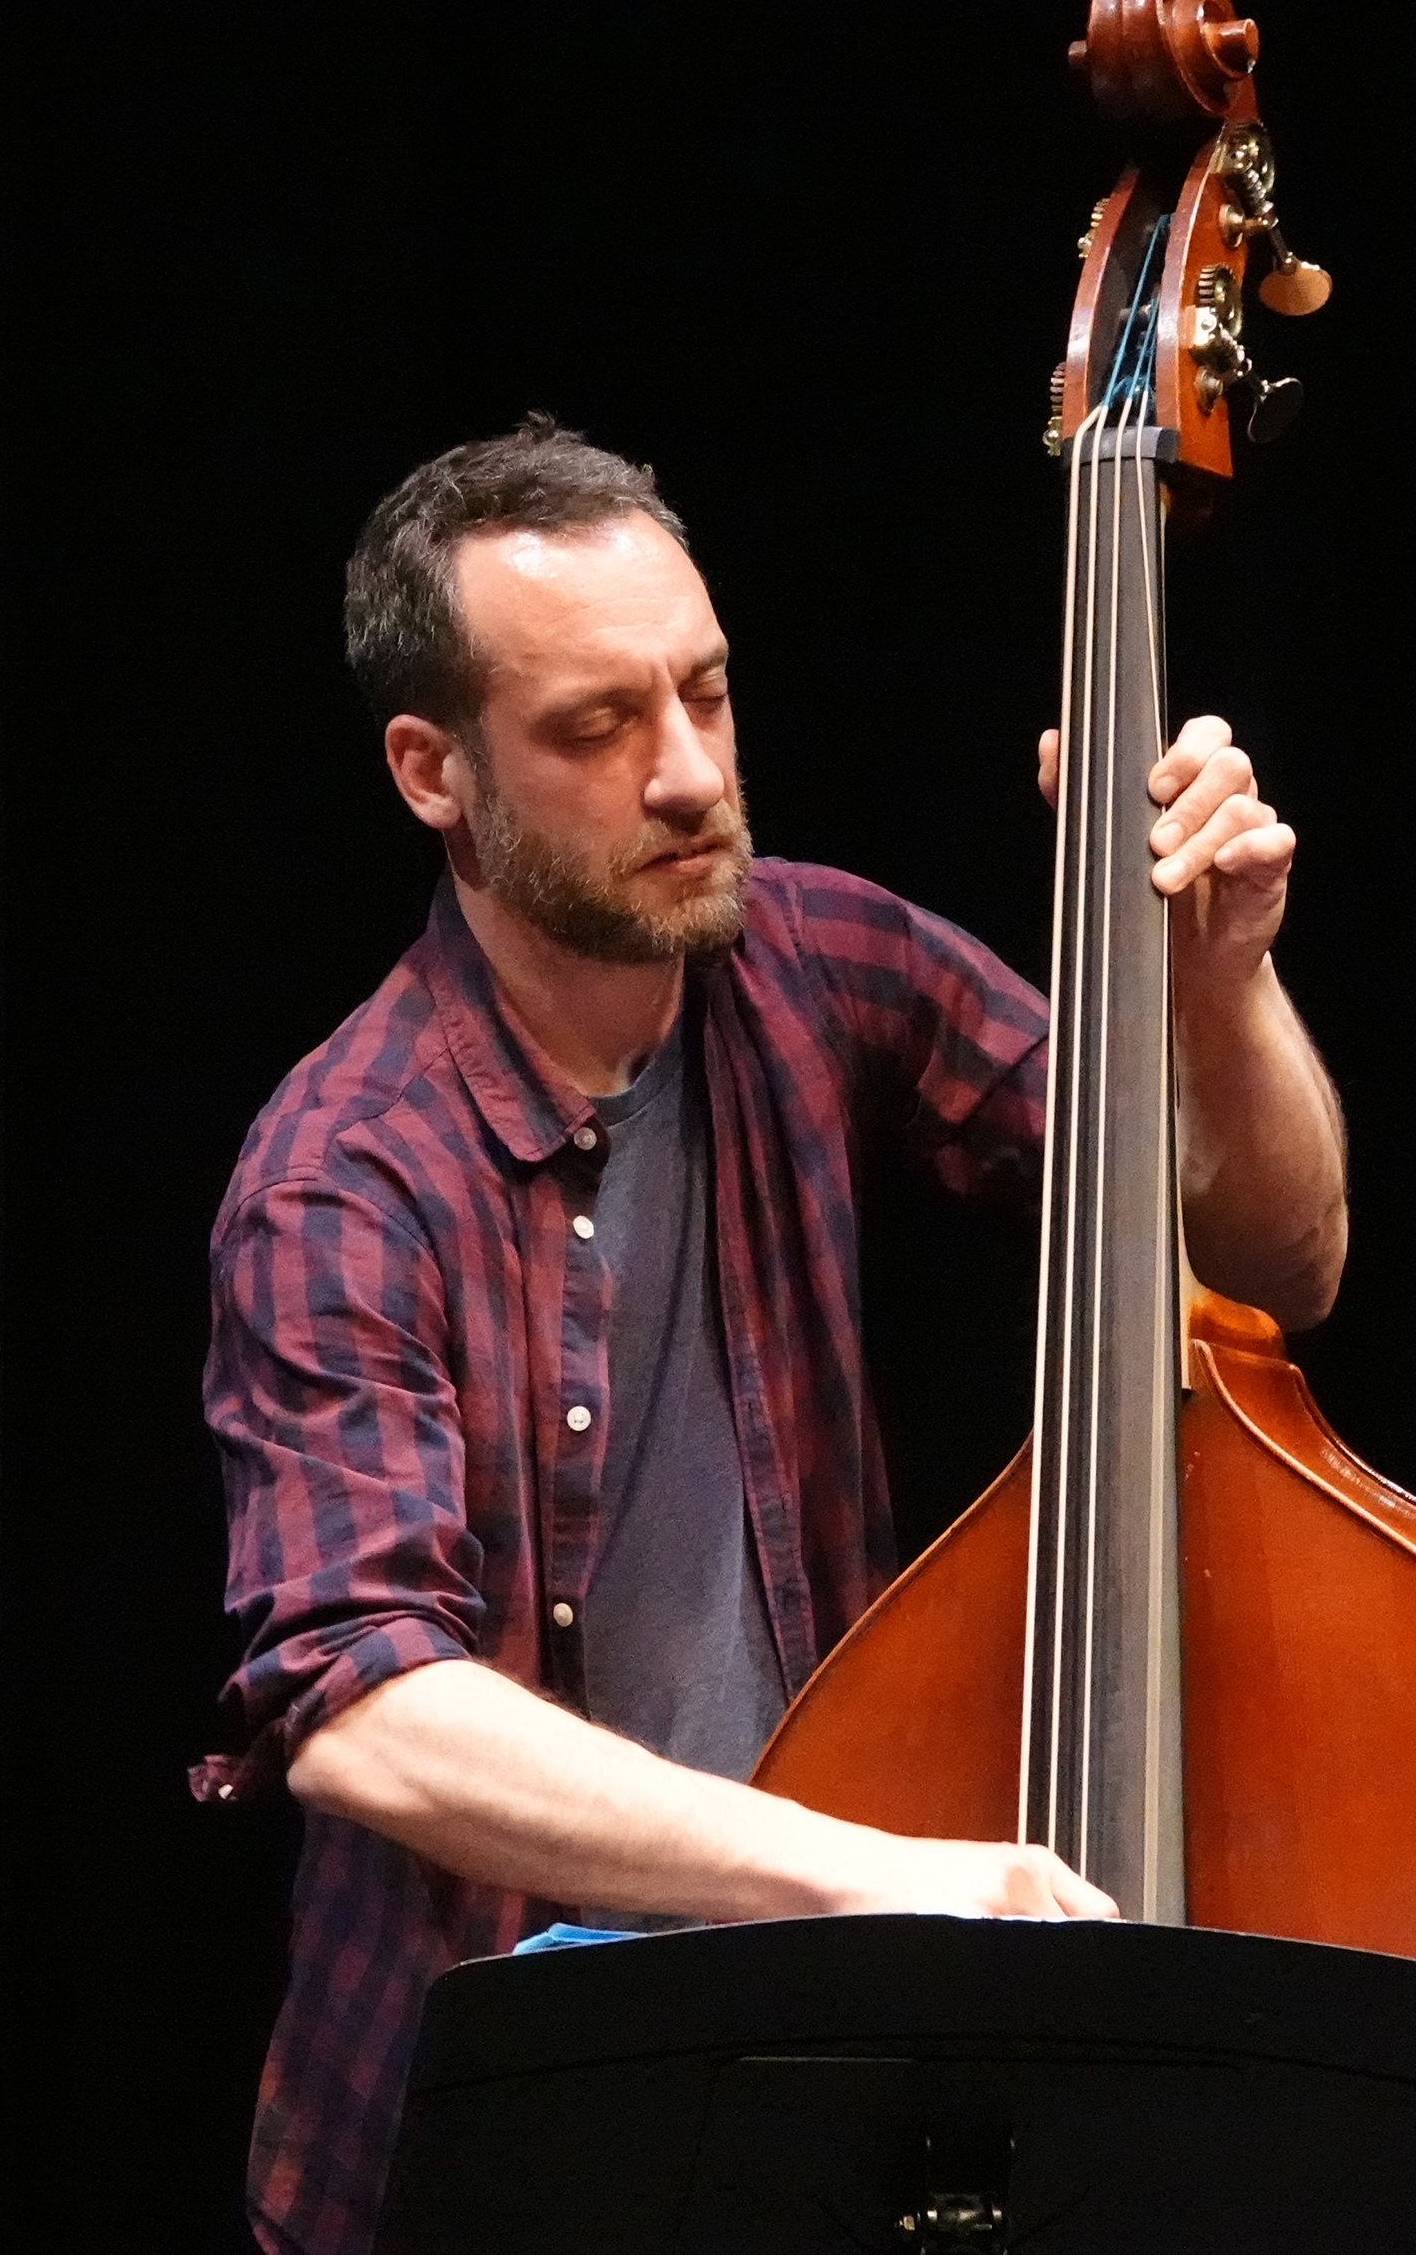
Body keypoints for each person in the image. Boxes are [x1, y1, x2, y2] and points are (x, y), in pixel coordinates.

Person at [196, 414, 1348, 2255]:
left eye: (706, 695)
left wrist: (1215, 979)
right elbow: (365, 1714)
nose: (685, 776)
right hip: (498, 2131)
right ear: (433, 769)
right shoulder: (343, 1177)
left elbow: (1263, 1257)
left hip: (810, 2079)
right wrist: (883, 1883)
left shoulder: (811, 970)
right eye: (595, 726)